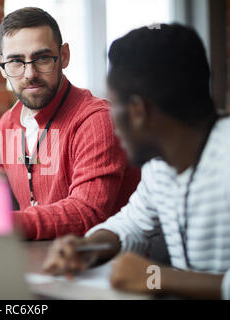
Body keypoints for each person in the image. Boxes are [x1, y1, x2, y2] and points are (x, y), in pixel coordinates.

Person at [43, 23, 230, 299]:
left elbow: (156, 278)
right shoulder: (161, 164)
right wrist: (85, 248)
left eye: (114, 105)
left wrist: (156, 278)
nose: (112, 124)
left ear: (138, 111)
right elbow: (132, 224)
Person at [0, 7, 140, 240]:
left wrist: (4, 222)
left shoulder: (97, 121)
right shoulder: (10, 122)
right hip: (44, 261)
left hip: (100, 267)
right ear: (2, 66)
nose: (29, 73)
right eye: (16, 61)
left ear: (64, 55)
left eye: (42, 58)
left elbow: (87, 213)